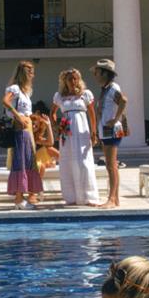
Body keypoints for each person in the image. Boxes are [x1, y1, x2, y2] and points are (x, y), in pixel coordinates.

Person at [51, 67, 100, 206]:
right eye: (70, 79)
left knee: (84, 163)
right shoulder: (59, 96)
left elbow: (92, 114)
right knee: (67, 162)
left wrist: (93, 132)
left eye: (75, 78)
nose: (73, 81)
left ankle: (88, 197)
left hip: (82, 131)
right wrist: (56, 127)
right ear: (64, 81)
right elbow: (52, 113)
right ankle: (71, 197)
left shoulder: (85, 94)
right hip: (67, 133)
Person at [3, 61, 44, 208]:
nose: (32, 74)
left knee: (28, 161)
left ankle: (22, 197)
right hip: (20, 129)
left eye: (32, 71)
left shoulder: (26, 92)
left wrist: (33, 119)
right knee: (20, 161)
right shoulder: (15, 88)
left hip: (27, 130)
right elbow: (5, 101)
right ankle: (19, 199)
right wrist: (18, 116)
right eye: (29, 71)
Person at [94, 59, 129, 208]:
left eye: (97, 72)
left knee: (111, 165)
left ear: (104, 73)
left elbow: (124, 101)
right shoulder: (106, 88)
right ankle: (115, 199)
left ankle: (112, 199)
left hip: (112, 130)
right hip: (106, 131)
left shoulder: (113, 87)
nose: (95, 75)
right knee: (110, 165)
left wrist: (116, 119)